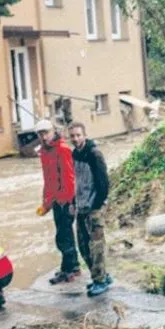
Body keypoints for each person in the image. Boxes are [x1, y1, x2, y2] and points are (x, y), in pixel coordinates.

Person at [68, 122, 113, 297]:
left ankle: (100, 281)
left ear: (85, 135)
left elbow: (104, 183)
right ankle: (101, 276)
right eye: (72, 136)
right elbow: (76, 181)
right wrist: (73, 203)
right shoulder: (74, 154)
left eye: (78, 135)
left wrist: (97, 205)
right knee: (83, 247)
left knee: (96, 247)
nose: (75, 138)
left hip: (93, 208)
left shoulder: (94, 154)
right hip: (80, 207)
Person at [34, 120, 78, 285]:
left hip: (65, 200)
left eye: (46, 133)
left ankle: (68, 270)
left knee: (63, 236)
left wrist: (68, 202)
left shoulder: (62, 149)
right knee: (65, 234)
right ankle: (73, 266)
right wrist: (46, 202)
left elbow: (68, 178)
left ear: (53, 131)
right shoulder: (45, 152)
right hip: (55, 200)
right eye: (41, 134)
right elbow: (48, 180)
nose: (44, 137)